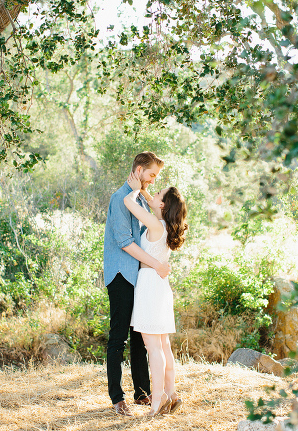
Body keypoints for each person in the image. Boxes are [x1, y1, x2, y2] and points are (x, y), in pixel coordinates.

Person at [102, 151, 172, 416]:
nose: (153, 180)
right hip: (121, 274)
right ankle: (117, 398)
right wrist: (157, 265)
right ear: (139, 170)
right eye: (151, 174)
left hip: (141, 277)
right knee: (118, 337)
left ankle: (142, 393)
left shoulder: (139, 200)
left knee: (140, 336)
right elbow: (125, 243)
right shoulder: (119, 198)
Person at [124, 176, 189, 416]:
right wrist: (147, 192)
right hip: (161, 286)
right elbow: (155, 203)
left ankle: (158, 399)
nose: (154, 195)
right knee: (163, 345)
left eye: (158, 194)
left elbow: (129, 203)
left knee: (153, 347)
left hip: (150, 285)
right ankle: (171, 394)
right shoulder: (166, 226)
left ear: (163, 206)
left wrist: (133, 191)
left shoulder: (154, 224)